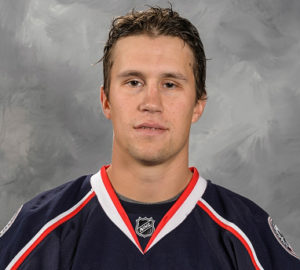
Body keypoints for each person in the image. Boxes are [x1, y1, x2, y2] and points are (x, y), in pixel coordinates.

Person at [0, 6, 299, 270]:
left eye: (170, 84)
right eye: (133, 82)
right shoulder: (40, 228)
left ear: (198, 105)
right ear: (106, 101)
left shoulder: (248, 235)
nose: (151, 102)